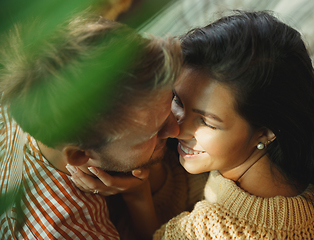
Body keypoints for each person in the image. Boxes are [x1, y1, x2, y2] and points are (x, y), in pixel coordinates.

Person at [71, 10, 314, 239]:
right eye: (177, 101)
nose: (174, 129)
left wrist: (137, 197)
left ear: (266, 130)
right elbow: (197, 189)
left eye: (206, 121)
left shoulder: (221, 229)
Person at [0, 13, 207, 239]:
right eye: (153, 133)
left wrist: (140, 188)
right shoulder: (67, 231)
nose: (176, 129)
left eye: (171, 100)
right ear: (79, 155)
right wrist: (139, 197)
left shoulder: (26, 97)